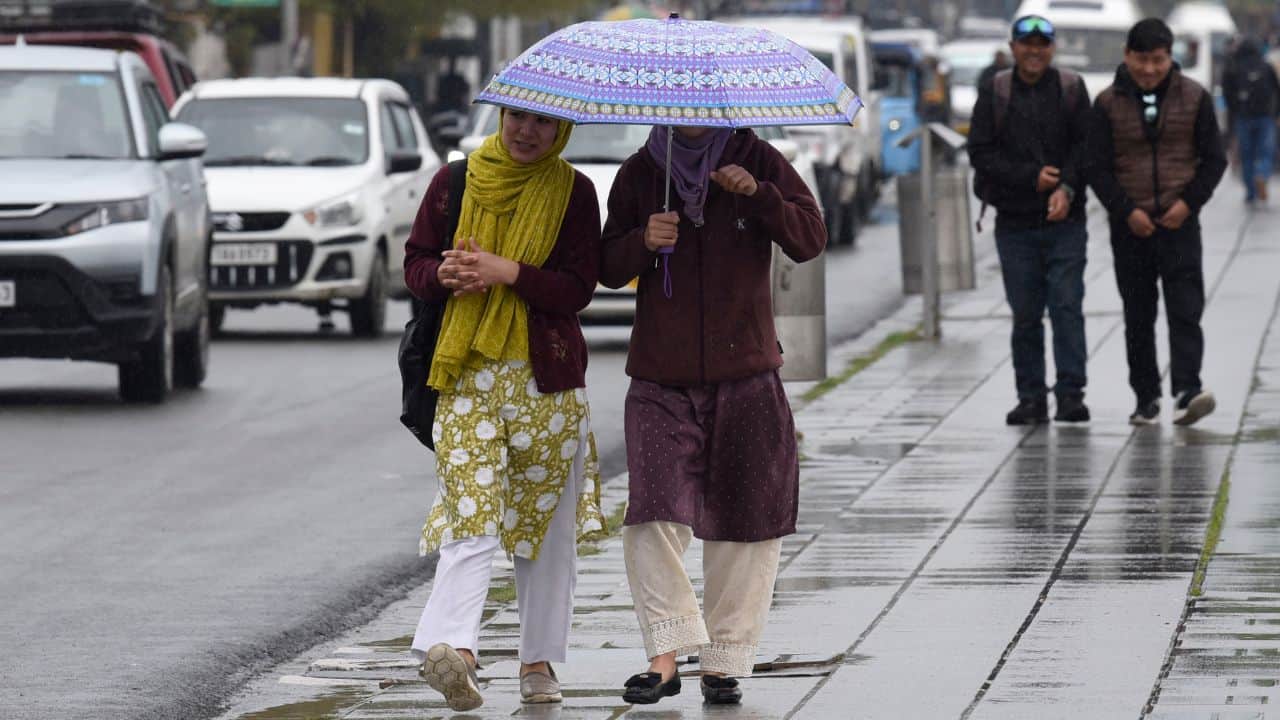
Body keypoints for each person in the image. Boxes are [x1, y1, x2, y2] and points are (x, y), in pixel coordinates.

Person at [599, 124, 825, 707]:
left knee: (746, 518)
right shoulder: (639, 172)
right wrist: (642, 242)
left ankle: (725, 660)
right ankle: (665, 657)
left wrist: (760, 196)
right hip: (658, 374)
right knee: (652, 511)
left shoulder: (758, 157)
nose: (691, 109)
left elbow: (810, 238)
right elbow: (604, 264)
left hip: (746, 371)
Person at [401, 107, 608, 711]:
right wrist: (442, 272)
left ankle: (537, 662)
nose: (526, 132)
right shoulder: (454, 182)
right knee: (471, 515)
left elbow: (578, 289)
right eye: (517, 117)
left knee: (543, 532)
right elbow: (415, 264)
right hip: (465, 375)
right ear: (500, 116)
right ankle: (456, 652)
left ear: (561, 131)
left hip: (547, 384)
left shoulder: (574, 191)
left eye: (543, 123)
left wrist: (508, 271)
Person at [1089, 18, 1227, 426]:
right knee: (1138, 313)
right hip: (1129, 226)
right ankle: (1145, 396)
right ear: (1127, 56)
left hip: (1179, 222)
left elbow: (1214, 160)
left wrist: (1188, 204)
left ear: (1171, 58)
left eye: (1159, 60)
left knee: (1185, 309)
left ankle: (1186, 389)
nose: (1149, 70)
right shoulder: (1107, 103)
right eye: (1142, 60)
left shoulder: (1195, 97)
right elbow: (1096, 167)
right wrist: (1125, 210)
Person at [967, 14, 1093, 425]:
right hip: (1015, 222)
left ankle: (1071, 394)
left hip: (1066, 222)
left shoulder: (1072, 89)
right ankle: (1031, 396)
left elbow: (1087, 147)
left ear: (1052, 48)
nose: (1034, 51)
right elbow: (980, 153)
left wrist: (1066, 188)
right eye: (1026, 43)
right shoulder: (995, 91)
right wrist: (1030, 178)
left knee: (1067, 306)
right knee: (1025, 313)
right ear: (1013, 46)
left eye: (1042, 44)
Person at [1223, 36, 1280, 204]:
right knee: (1266, 152)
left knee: (1247, 155)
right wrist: (1276, 114)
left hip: (1244, 116)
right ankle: (1261, 174)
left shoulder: (1234, 67)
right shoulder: (1266, 66)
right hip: (1265, 116)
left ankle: (1250, 192)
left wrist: (1235, 111)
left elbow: (1227, 93)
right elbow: (1277, 91)